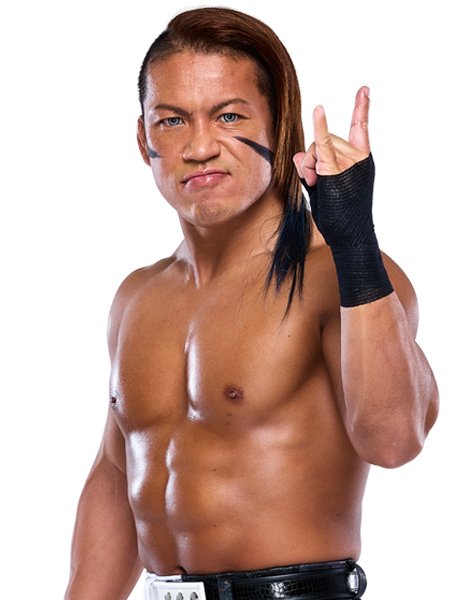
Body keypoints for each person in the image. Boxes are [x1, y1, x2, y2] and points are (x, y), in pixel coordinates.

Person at [65, 7, 439, 600]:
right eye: (172, 121)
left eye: (229, 116)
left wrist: (356, 242)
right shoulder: (138, 297)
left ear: (278, 125)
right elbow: (117, 476)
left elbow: (394, 440)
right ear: (143, 140)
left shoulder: (336, 275)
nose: (199, 147)